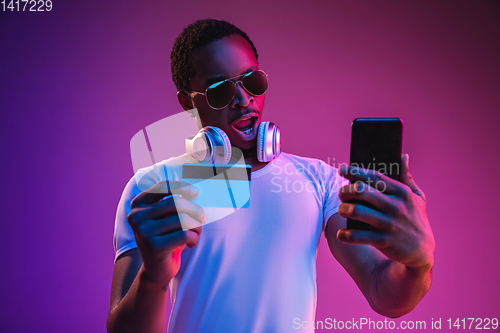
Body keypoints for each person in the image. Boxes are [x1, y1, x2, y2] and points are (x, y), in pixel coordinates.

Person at [107, 19, 435, 333]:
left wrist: (418, 264)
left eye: (251, 81)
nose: (243, 98)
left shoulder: (318, 179)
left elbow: (384, 293)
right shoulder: (155, 187)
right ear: (187, 102)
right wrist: (152, 278)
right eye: (220, 91)